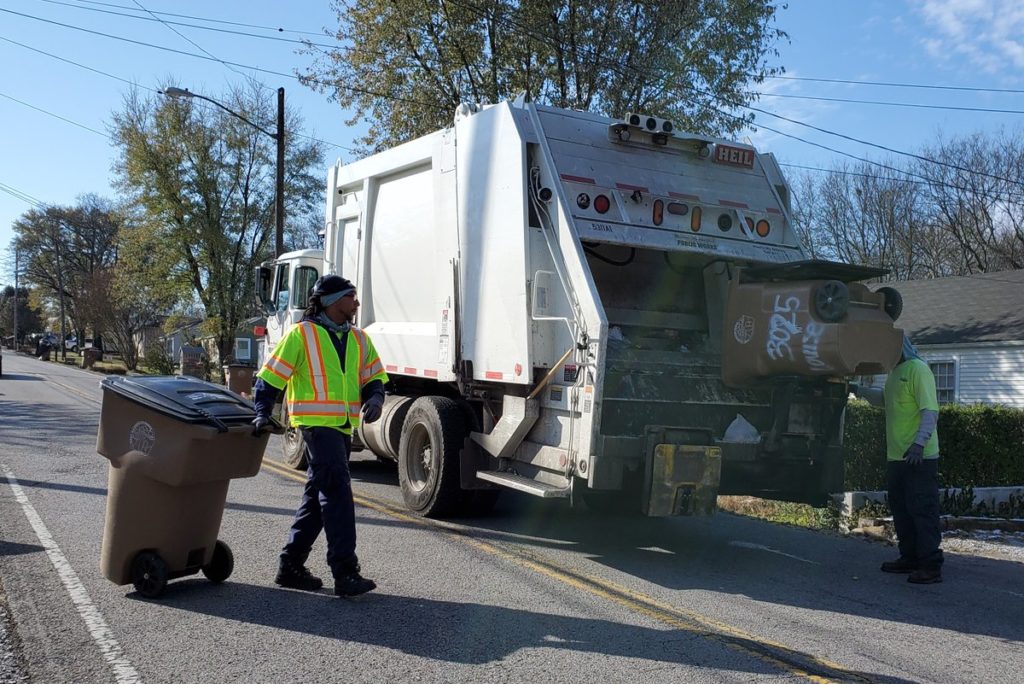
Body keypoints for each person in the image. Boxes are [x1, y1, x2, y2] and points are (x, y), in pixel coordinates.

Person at [252, 275, 388, 597]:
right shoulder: (302, 335)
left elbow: (374, 377)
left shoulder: (359, 338)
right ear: (332, 301)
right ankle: (345, 572)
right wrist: (262, 411)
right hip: (314, 426)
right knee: (338, 490)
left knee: (317, 498)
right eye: (351, 297)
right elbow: (270, 377)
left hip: (342, 426)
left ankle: (291, 566)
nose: (356, 303)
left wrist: (376, 398)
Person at [863, 335, 943, 584]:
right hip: (897, 457)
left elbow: (930, 410)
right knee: (902, 510)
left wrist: (920, 443)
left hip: (918, 456)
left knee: (922, 509)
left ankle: (930, 565)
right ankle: (909, 557)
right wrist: (856, 390)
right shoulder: (894, 373)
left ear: (899, 348)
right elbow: (886, 401)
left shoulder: (919, 370)